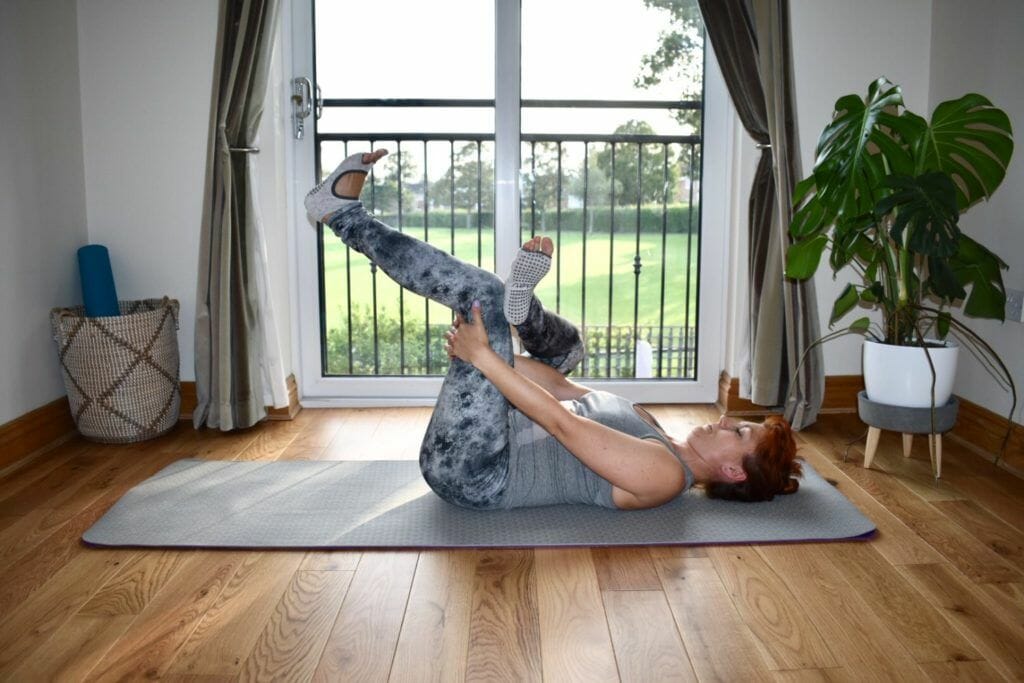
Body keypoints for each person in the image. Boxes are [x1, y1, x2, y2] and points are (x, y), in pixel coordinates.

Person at [306, 149, 802, 510]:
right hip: (494, 429)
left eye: (739, 432)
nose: (723, 421)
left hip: (476, 473)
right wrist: (490, 354)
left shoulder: (667, 476)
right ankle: (523, 314)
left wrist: (484, 358)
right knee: (567, 354)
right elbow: (562, 390)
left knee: (482, 294)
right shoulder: (651, 427)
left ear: (734, 471)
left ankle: (342, 216)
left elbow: (563, 425)